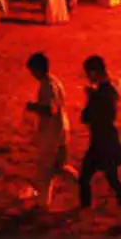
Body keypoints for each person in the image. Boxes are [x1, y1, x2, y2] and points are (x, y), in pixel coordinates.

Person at [24, 53, 77, 208]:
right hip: (60, 129)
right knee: (58, 167)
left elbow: (49, 110)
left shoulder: (47, 86)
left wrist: (33, 107)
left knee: (46, 169)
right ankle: (80, 190)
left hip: (52, 133)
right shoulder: (55, 82)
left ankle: (43, 202)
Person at [79, 55, 121, 208]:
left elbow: (86, 117)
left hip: (101, 142)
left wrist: (90, 98)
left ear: (94, 73)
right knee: (111, 177)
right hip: (109, 140)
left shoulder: (99, 94)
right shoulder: (109, 90)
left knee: (84, 178)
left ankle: (85, 209)